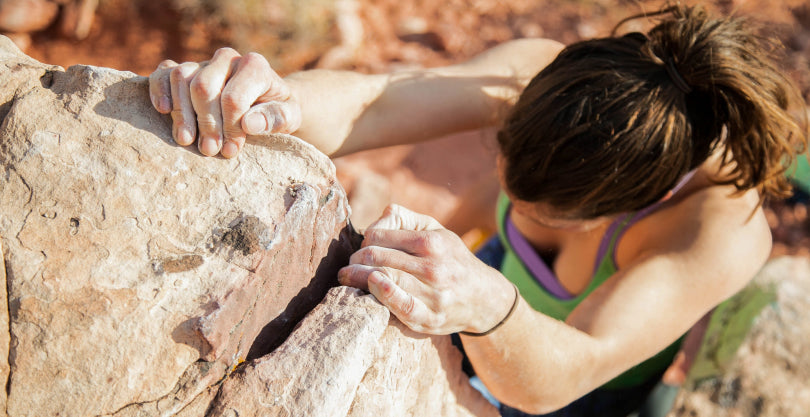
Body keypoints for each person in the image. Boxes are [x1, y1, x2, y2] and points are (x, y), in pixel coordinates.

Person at [149, 5, 807, 416]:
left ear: (629, 206)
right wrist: (275, 102)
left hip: (578, 387)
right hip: (490, 283)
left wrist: (486, 304)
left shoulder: (720, 231)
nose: (509, 192)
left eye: (541, 213)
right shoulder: (546, 79)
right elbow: (376, 102)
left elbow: (567, 370)